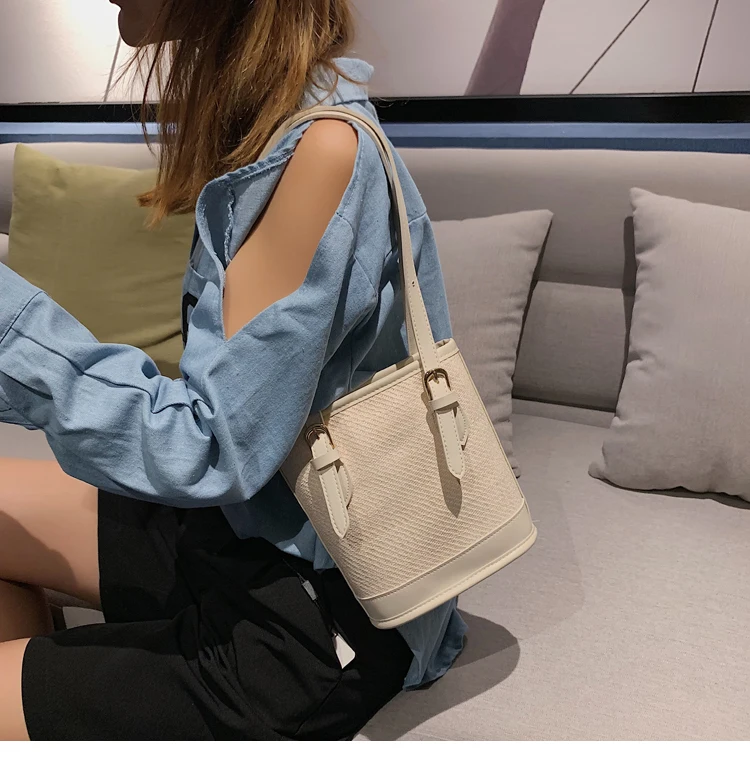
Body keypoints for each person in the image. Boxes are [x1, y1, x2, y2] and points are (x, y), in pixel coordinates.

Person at [0, 0, 467, 740]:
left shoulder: (323, 150)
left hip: (308, 623)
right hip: (241, 534)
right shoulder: (281, 122)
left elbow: (212, 447)